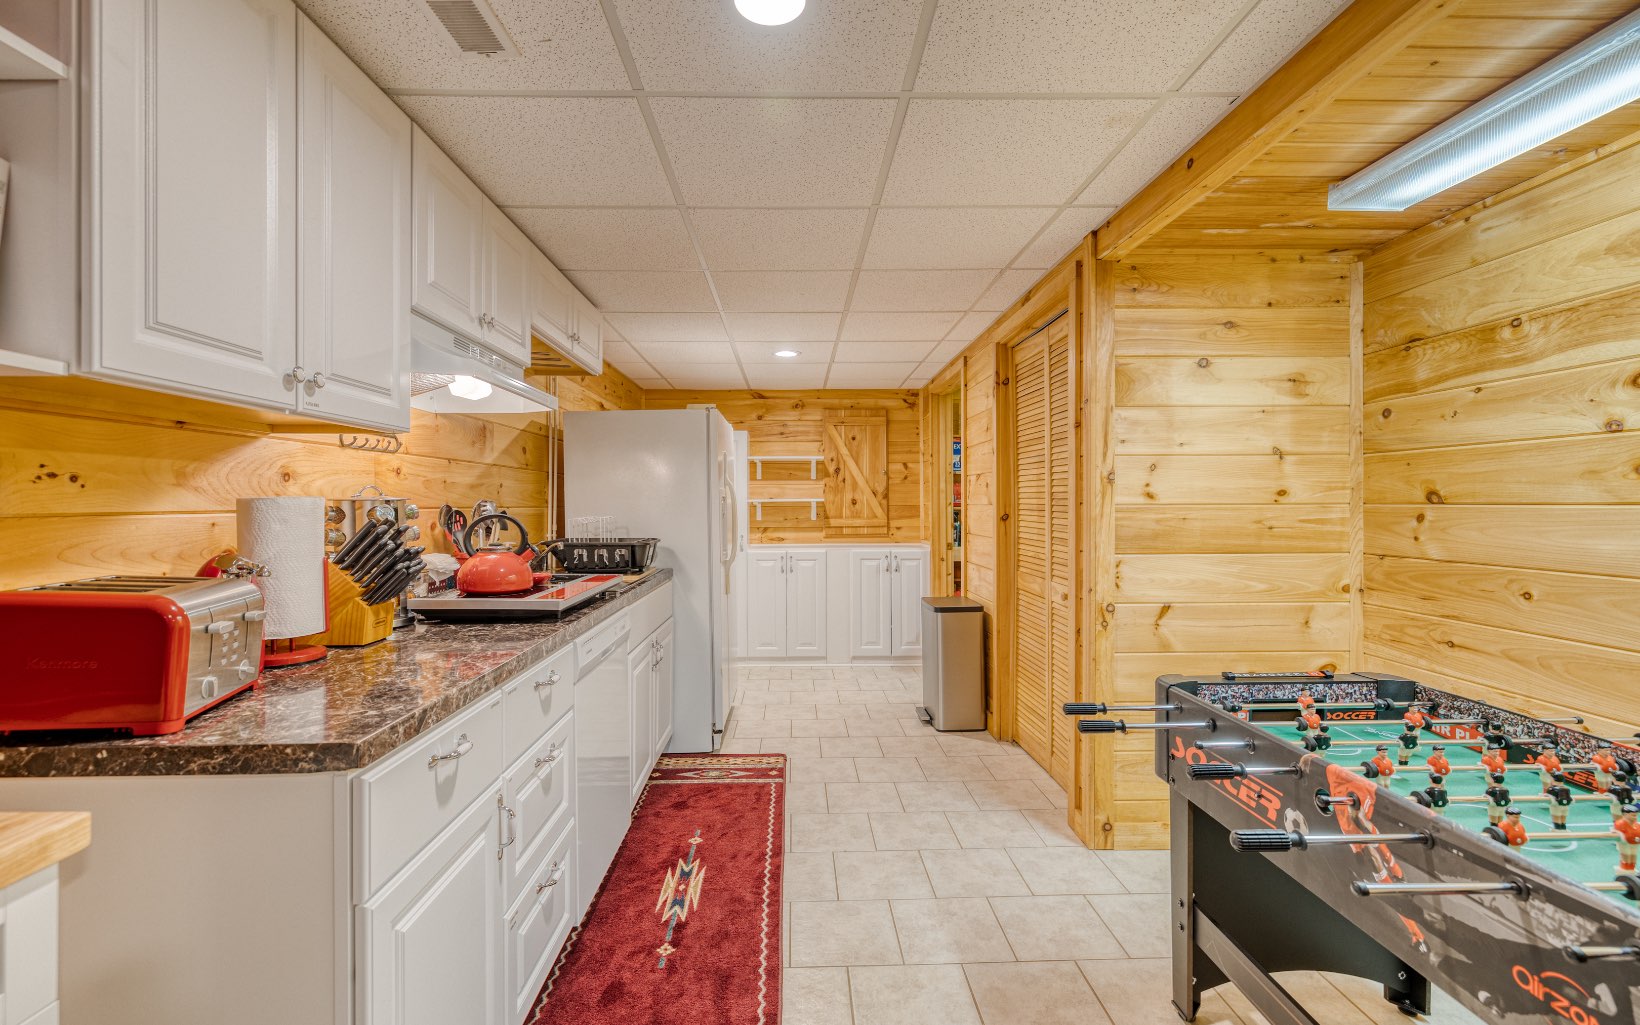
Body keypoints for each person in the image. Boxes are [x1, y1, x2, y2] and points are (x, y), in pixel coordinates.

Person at [1614, 804, 1640, 875]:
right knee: (1626, 856)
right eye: (1633, 815)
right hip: (1625, 844)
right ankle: (1625, 869)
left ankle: (1631, 869)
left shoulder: (1637, 825)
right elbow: (1626, 836)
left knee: (1633, 856)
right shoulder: (1620, 824)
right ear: (1625, 814)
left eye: (1636, 815)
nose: (1635, 817)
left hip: (1635, 844)